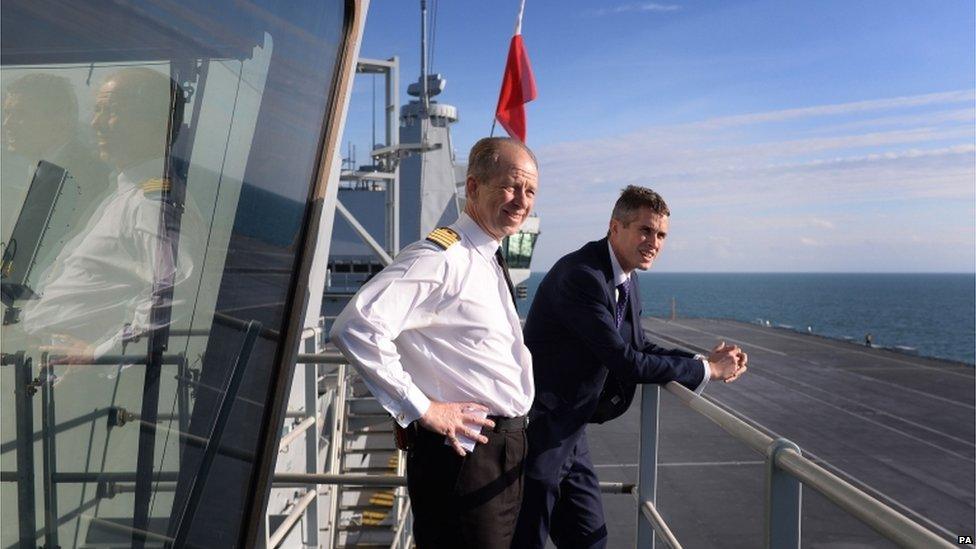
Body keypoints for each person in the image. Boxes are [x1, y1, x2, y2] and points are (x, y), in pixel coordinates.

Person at [512, 185, 748, 548]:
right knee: (526, 540)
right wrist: (709, 372)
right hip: (540, 431)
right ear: (615, 227)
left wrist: (702, 360)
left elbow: (638, 346)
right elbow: (625, 361)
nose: (653, 241)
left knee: (591, 539)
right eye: (644, 230)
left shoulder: (624, 276)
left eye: (661, 234)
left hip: (571, 432)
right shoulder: (583, 276)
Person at [330, 137, 538, 548]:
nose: (521, 200)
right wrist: (423, 409)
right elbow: (355, 326)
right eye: (511, 186)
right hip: (465, 456)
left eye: (530, 191)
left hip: (500, 450)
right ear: (474, 188)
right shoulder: (442, 257)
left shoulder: (487, 256)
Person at [18, 67, 193, 364]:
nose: (96, 123)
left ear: (153, 124)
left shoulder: (152, 204)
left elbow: (174, 293)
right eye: (96, 111)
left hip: (70, 380)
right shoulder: (127, 191)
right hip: (40, 359)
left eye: (111, 111)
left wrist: (99, 354)